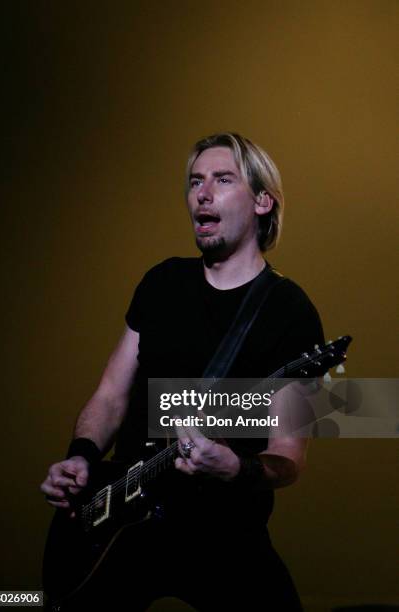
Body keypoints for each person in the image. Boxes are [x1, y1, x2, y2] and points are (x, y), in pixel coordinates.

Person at [40, 133, 324, 611]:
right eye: (195, 181)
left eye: (222, 179)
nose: (202, 193)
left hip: (224, 534)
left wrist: (236, 467)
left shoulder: (289, 311)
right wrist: (81, 457)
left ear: (261, 201)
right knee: (19, 603)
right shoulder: (162, 283)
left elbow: (287, 456)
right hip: (125, 520)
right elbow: (111, 396)